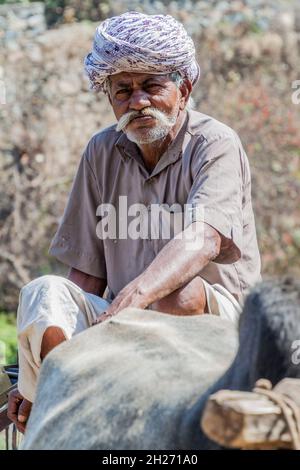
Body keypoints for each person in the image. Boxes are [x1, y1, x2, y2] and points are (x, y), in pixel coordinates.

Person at [8, 11, 261, 433]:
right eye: (122, 90)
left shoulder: (214, 142)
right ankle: (58, 394)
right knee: (43, 292)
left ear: (185, 88)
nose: (137, 101)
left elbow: (204, 239)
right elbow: (85, 274)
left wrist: (132, 303)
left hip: (216, 315)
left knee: (177, 295)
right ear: (109, 98)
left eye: (151, 86)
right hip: (117, 326)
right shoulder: (101, 151)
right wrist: (43, 356)